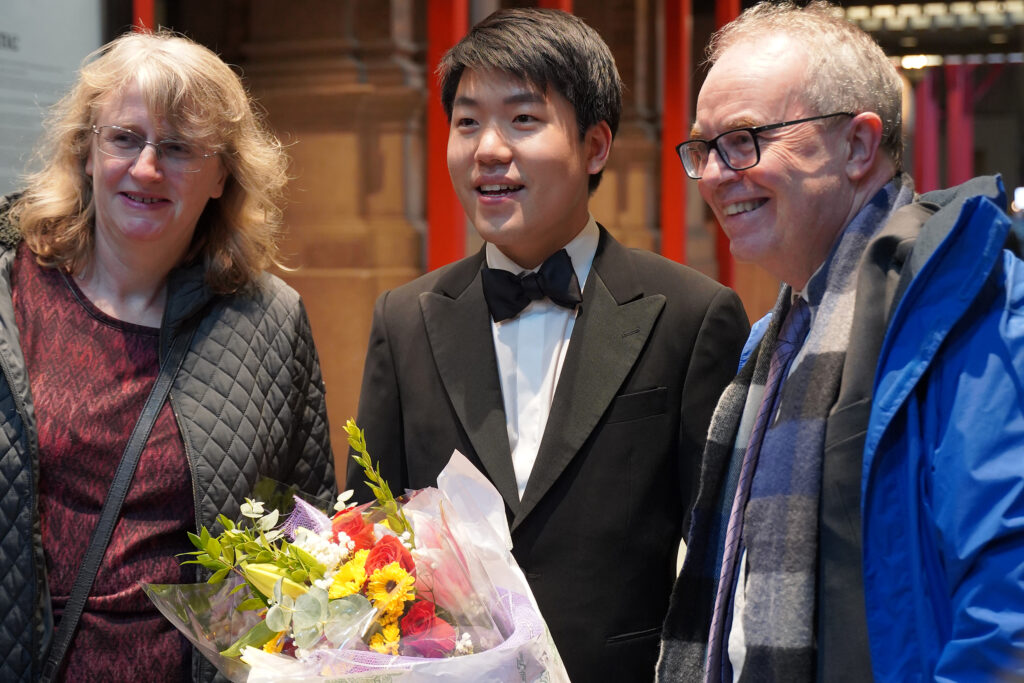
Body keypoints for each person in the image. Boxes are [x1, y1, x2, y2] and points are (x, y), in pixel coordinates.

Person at [349, 8, 749, 682]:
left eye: (523, 120)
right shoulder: (405, 319)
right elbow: (366, 539)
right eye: (468, 121)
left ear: (595, 146)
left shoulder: (690, 315)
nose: (488, 150)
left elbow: (725, 557)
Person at [657, 2, 1024, 682]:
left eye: (744, 139)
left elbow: (1009, 603)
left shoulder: (971, 303)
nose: (713, 174)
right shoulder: (769, 342)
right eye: (704, 148)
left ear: (858, 145)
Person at [0, 30, 335, 682]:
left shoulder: (269, 321)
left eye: (178, 148)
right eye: (124, 138)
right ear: (87, 152)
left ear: (221, 176)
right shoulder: (10, 297)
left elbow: (304, 532)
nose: (147, 168)